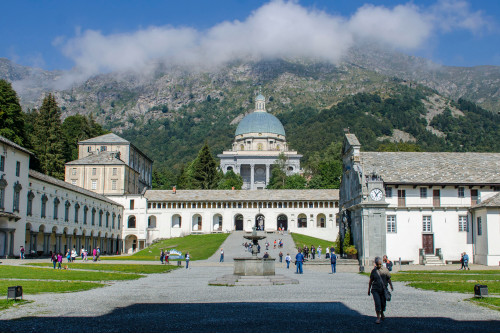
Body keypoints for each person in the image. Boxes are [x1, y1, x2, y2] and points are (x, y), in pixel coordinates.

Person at [368, 256, 394, 324]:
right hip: (375, 290)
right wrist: (369, 289)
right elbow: (371, 280)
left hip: (383, 289)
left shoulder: (385, 270)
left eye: (380, 264)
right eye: (378, 264)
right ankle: (378, 318)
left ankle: (382, 313)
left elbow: (388, 279)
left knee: (383, 304)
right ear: (376, 264)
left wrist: (391, 286)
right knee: (377, 303)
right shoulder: (374, 271)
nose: (379, 265)